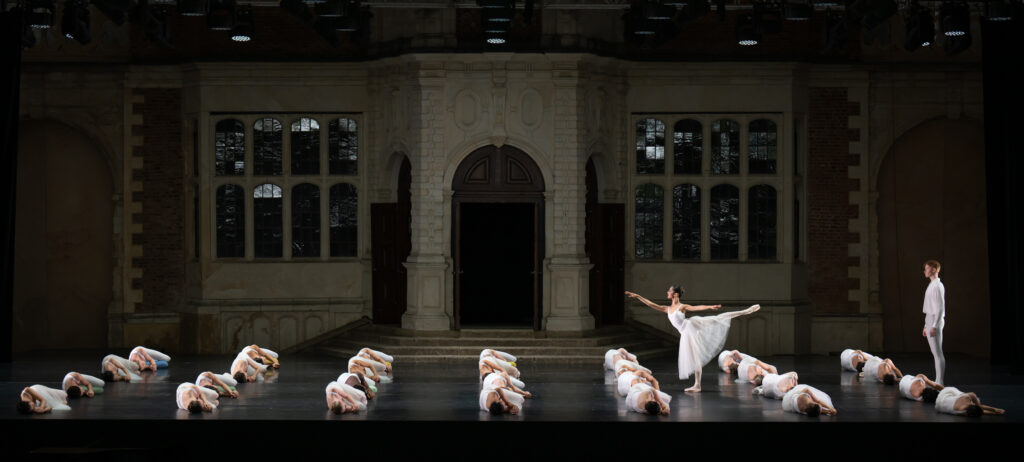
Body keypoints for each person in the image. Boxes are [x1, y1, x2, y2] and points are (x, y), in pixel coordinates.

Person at [626, 287, 759, 392]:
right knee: (695, 359)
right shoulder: (667, 309)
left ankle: (746, 311)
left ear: (675, 294)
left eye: (669, 291)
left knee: (717, 319)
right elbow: (651, 304)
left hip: (690, 328)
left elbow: (695, 308)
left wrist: (709, 307)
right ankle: (697, 385)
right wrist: (637, 296)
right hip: (686, 332)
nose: (667, 292)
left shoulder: (681, 307)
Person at [922, 260, 946, 385]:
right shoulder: (932, 285)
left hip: (935, 322)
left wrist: (935, 325)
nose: (925, 271)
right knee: (935, 353)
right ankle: (938, 380)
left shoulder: (937, 286)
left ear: (934, 269)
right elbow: (930, 309)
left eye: (927, 268)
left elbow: (940, 308)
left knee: (937, 353)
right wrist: (926, 325)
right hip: (930, 320)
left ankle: (940, 381)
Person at [935, 387, 1004, 416]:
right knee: (978, 401)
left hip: (942, 399)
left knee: (960, 394)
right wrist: (994, 411)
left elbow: (980, 408)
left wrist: (995, 410)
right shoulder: (962, 412)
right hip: (940, 404)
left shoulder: (969, 396)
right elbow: (980, 407)